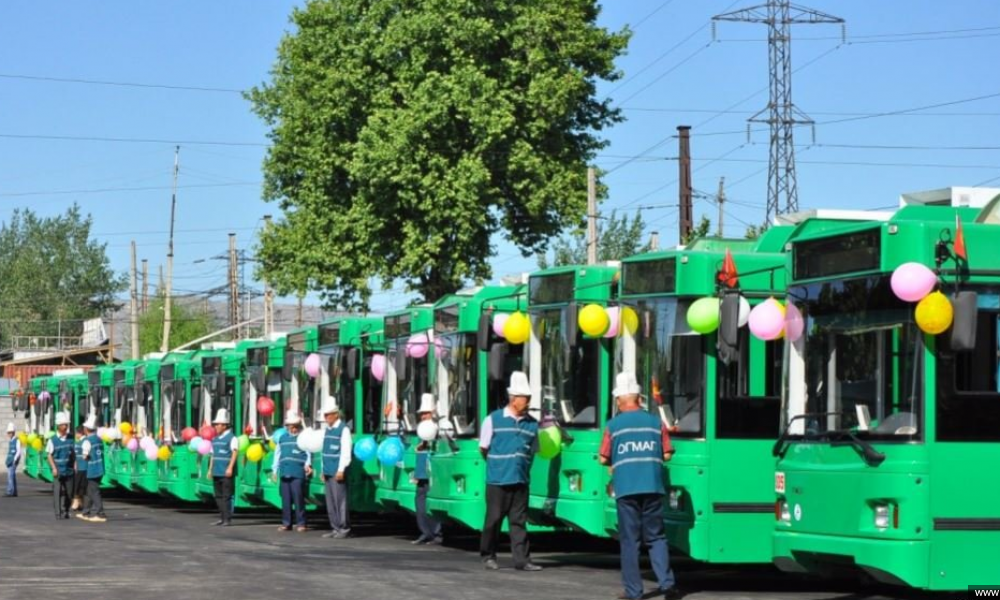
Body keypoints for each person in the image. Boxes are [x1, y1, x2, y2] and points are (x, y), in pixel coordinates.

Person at [599, 372, 681, 600]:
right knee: (656, 538)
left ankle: (634, 592)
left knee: (630, 541)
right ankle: (667, 585)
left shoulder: (613, 425)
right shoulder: (655, 422)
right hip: (653, 487)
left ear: (619, 400)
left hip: (626, 490)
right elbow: (667, 453)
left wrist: (617, 462)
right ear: (638, 398)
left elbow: (603, 458)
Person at [479, 371, 542, 572]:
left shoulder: (532, 423)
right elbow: (484, 448)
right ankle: (488, 555)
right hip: (497, 480)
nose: (528, 401)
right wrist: (498, 465)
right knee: (494, 519)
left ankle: (522, 560)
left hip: (520, 480)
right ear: (513, 399)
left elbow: (533, 450)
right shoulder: (493, 419)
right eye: (526, 398)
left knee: (519, 521)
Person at [320, 396, 352, 539]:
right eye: (325, 415)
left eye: (328, 415)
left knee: (340, 501)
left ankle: (344, 528)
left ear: (336, 414)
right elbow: (324, 451)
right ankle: (335, 527)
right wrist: (322, 469)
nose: (326, 417)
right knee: (330, 502)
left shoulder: (343, 429)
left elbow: (345, 451)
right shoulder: (327, 430)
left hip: (337, 471)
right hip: (327, 470)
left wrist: (341, 469)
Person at [273, 409, 311, 532]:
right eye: (290, 426)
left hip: (298, 472)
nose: (292, 429)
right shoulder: (282, 438)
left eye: (294, 426)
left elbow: (308, 453)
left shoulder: (303, 437)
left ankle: (301, 523)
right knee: (286, 499)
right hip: (285, 471)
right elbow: (277, 454)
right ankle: (286, 523)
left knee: (298, 498)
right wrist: (275, 470)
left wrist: (308, 464)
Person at [412, 393, 442, 545]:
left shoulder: (436, 428)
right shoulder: (422, 428)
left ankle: (436, 533)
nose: (423, 416)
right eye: (422, 413)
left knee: (430, 504)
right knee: (420, 503)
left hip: (432, 472)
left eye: (426, 413)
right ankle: (425, 532)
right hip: (422, 472)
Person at [209, 408, 239, 526]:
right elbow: (212, 455)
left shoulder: (232, 438)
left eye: (218, 425)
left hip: (226, 472)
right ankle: (222, 517)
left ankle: (227, 519)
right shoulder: (215, 440)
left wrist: (230, 468)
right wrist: (210, 469)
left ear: (225, 426)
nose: (216, 427)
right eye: (215, 425)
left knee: (226, 496)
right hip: (217, 471)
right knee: (218, 496)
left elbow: (234, 453)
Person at [78, 415, 107, 522]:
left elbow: (85, 456)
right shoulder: (99, 439)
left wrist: (85, 457)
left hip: (92, 469)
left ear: (86, 429)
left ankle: (101, 514)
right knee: (90, 490)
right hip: (100, 468)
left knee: (94, 491)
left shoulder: (87, 441)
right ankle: (85, 512)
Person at [46, 411, 75, 520]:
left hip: (69, 470)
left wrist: (75, 464)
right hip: (57, 470)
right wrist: (53, 467)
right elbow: (49, 455)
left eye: (66, 424)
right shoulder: (52, 440)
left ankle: (66, 509)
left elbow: (74, 453)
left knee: (69, 492)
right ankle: (58, 513)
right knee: (57, 492)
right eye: (64, 425)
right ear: (58, 426)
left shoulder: (71, 438)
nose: (66, 426)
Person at [71, 425, 89, 511]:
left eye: (76, 433)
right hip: (78, 467)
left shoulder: (85, 442)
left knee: (80, 487)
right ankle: (79, 503)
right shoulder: (78, 442)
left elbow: (86, 455)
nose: (75, 435)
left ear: (79, 433)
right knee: (77, 486)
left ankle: (77, 502)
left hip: (84, 468)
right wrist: (75, 464)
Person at [5, 422, 21, 497]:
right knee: (12, 476)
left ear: (13, 432)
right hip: (10, 460)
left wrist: (14, 460)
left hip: (13, 460)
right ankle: (14, 492)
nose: (8, 434)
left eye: (10, 432)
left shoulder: (17, 440)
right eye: (8, 432)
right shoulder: (11, 441)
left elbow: (18, 451)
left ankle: (10, 491)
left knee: (10, 476)